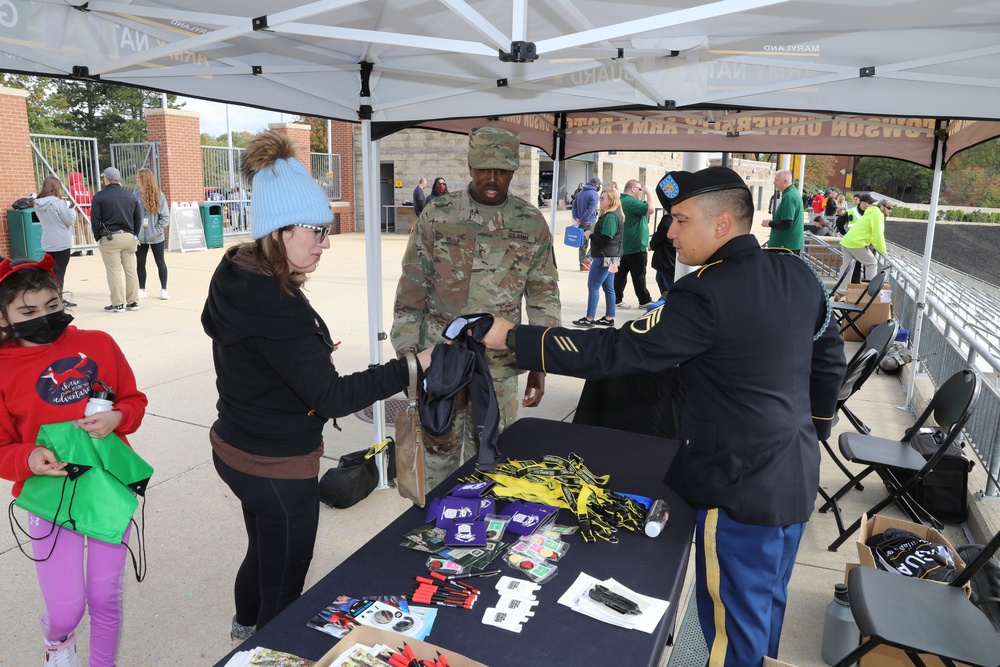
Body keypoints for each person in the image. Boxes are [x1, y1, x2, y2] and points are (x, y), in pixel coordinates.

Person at [481, 166, 846, 667]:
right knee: (765, 610)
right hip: (795, 473)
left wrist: (515, 338)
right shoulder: (797, 270)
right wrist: (817, 426)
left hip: (738, 488)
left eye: (680, 220)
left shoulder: (704, 293)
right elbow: (828, 355)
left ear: (721, 225)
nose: (670, 233)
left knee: (727, 630)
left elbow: (616, 352)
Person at [201, 130, 435, 644]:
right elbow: (332, 397)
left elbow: (263, 357)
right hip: (275, 465)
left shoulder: (237, 274)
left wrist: (298, 359)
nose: (326, 244)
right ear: (279, 230)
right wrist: (412, 365)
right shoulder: (275, 304)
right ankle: (263, 645)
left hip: (237, 445)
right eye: (318, 232)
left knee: (263, 548)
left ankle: (243, 627)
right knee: (284, 591)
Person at [391, 124, 560, 489]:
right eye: (484, 168)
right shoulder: (438, 214)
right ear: (469, 166)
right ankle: (435, 523)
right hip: (439, 361)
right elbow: (411, 291)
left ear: (514, 170)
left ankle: (487, 531)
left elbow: (544, 296)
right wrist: (407, 359)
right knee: (437, 455)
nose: (492, 178)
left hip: (499, 366)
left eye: (501, 170)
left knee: (496, 457)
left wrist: (540, 362)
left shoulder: (531, 223)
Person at [0, 255, 148, 667]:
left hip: (106, 489)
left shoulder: (98, 343)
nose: (43, 317)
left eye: (52, 306)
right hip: (50, 499)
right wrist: (27, 457)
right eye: (27, 312)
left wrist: (119, 416)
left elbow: (133, 400)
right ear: (3, 318)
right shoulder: (2, 367)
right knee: (67, 609)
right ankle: (57, 641)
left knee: (105, 598)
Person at [90, 167, 141, 313]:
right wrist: (134, 234)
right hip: (129, 237)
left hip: (110, 237)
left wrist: (98, 236)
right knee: (131, 270)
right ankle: (133, 302)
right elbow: (137, 219)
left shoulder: (99, 197)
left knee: (114, 271)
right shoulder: (131, 196)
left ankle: (118, 303)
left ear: (106, 179)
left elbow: (95, 220)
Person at [573, 188, 623, 327]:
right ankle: (609, 317)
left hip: (604, 256)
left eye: (603, 198)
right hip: (610, 256)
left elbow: (607, 237)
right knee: (609, 288)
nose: (599, 200)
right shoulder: (612, 214)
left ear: (611, 201)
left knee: (593, 286)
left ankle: (589, 318)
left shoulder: (611, 216)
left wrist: (591, 235)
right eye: (600, 198)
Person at [33, 176, 78, 307]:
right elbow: (68, 220)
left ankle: (50, 298)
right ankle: (58, 299)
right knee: (60, 272)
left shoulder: (37, 203)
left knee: (51, 271)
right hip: (61, 241)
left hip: (48, 240)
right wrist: (72, 211)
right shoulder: (57, 202)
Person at [834, 194, 888, 295]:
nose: (871, 205)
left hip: (847, 242)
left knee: (846, 267)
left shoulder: (869, 213)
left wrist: (845, 235)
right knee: (871, 263)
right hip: (856, 243)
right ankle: (871, 294)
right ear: (882, 207)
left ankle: (841, 291)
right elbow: (878, 234)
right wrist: (883, 251)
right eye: (889, 208)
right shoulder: (877, 214)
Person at [614, 180, 655, 309]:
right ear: (633, 189)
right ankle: (644, 300)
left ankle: (616, 299)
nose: (640, 192)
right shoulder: (631, 202)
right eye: (639, 189)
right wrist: (649, 193)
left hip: (622, 245)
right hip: (635, 245)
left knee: (620, 275)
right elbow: (651, 209)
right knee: (639, 275)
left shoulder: (620, 200)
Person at [134, 168, 170, 301]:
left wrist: (157, 229)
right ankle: (142, 289)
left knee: (160, 262)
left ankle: (164, 289)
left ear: (144, 179)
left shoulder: (159, 195)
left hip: (156, 236)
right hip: (140, 237)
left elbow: (165, 217)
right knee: (140, 262)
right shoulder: (136, 195)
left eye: (138, 178)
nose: (137, 180)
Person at [761, 169, 805, 254]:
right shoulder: (792, 193)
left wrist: (769, 223)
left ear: (785, 181)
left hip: (785, 247)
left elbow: (787, 223)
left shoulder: (788, 196)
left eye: (776, 180)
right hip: (788, 245)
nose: (774, 182)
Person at [571, 176, 601, 270]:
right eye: (599, 185)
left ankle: (582, 265)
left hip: (580, 223)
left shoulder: (580, 193)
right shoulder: (594, 194)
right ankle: (587, 261)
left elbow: (574, 207)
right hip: (590, 222)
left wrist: (577, 218)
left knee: (582, 244)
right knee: (597, 242)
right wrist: (582, 219)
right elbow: (591, 210)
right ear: (596, 184)